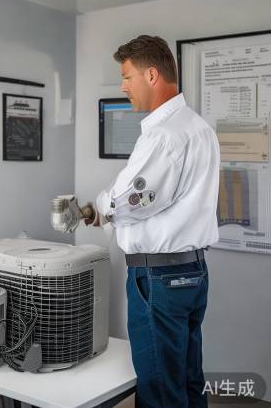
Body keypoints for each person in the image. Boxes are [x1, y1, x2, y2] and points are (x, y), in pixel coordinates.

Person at [94, 35, 220, 408]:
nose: (123, 87)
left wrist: (99, 206)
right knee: (187, 379)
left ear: (151, 75)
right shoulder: (200, 128)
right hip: (193, 271)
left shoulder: (164, 136)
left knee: (160, 389)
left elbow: (130, 201)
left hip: (159, 277)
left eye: (127, 77)